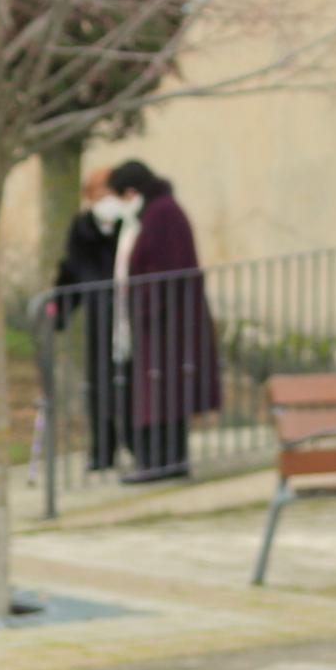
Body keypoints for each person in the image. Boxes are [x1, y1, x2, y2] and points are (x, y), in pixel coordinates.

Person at [99, 158, 221, 483]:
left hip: (167, 323)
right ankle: (161, 461)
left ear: (131, 191)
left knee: (161, 392)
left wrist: (146, 307)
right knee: (159, 392)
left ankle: (162, 462)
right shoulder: (156, 212)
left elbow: (166, 268)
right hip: (160, 321)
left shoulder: (162, 214)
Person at [52, 176, 129, 473]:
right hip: (99, 318)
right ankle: (102, 450)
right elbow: (71, 268)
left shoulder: (129, 224)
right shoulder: (82, 228)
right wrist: (59, 311)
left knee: (129, 382)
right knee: (100, 383)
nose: (106, 197)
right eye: (100, 192)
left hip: (127, 317)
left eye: (111, 190)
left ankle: (135, 442)